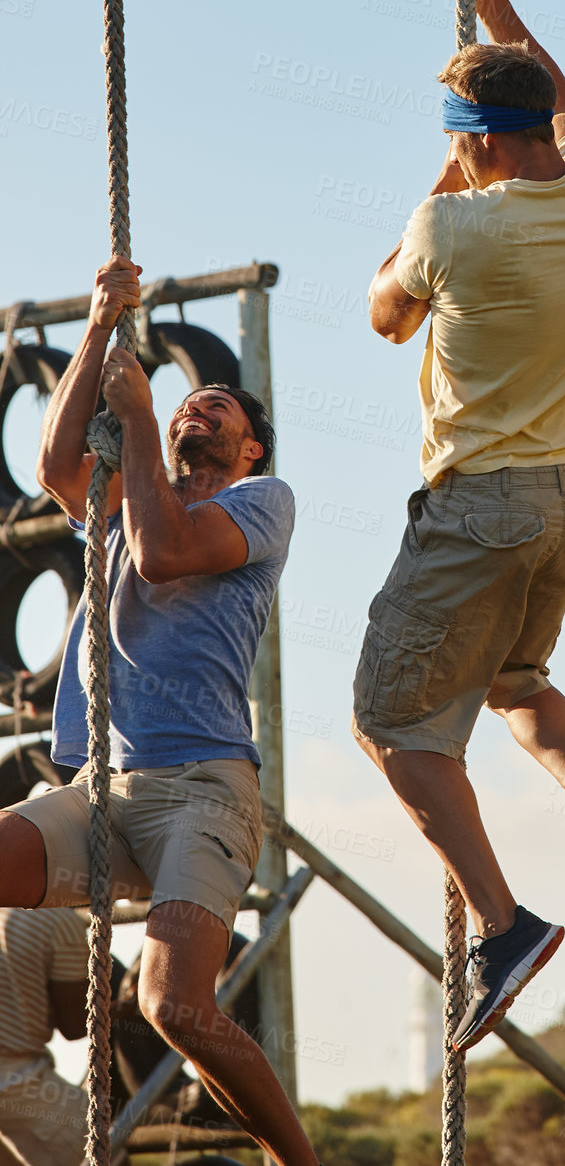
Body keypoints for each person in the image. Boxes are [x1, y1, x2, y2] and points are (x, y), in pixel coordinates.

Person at [355, 0, 565, 1053]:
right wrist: (495, 4)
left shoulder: (449, 224)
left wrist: (441, 180)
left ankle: (502, 922)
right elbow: (561, 102)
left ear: (470, 148)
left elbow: (387, 314)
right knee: (513, 677)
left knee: (390, 722)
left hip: (478, 502)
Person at [0, 259, 317, 1166]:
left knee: (173, 1007)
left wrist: (140, 414)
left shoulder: (261, 504)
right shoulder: (117, 498)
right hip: (105, 783)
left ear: (253, 448)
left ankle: (300, 1161)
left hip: (203, 789)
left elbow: (165, 551)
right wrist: (101, 322)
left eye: (220, 407)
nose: (196, 407)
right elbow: (53, 464)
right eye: (190, 402)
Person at [0, 906, 87, 1166]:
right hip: (16, 1081)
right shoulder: (62, 922)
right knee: (96, 1136)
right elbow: (76, 1027)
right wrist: (126, 1010)